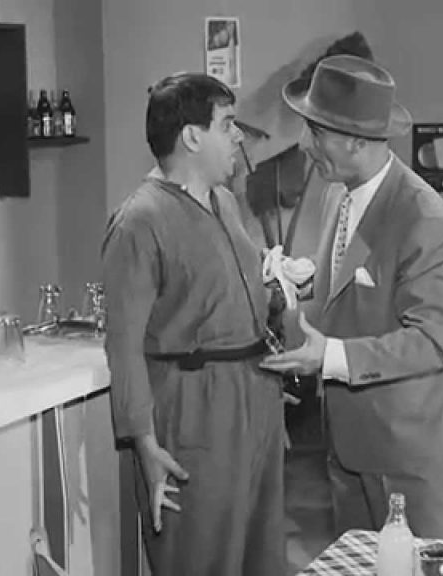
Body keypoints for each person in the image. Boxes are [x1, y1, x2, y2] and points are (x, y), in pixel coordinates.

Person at [260, 55, 443, 541]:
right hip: (350, 447)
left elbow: (432, 341)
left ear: (357, 141)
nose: (304, 144)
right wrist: (300, 282)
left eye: (316, 131)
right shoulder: (338, 193)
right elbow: (352, 287)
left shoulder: (425, 220)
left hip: (409, 456)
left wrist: (330, 356)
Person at [101, 73, 286, 576]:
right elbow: (123, 344)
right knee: (203, 555)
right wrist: (144, 443)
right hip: (194, 413)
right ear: (191, 136)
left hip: (256, 402)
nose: (239, 136)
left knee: (262, 555)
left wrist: (279, 291)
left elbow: (231, 293)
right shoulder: (139, 221)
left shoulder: (226, 203)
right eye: (227, 124)